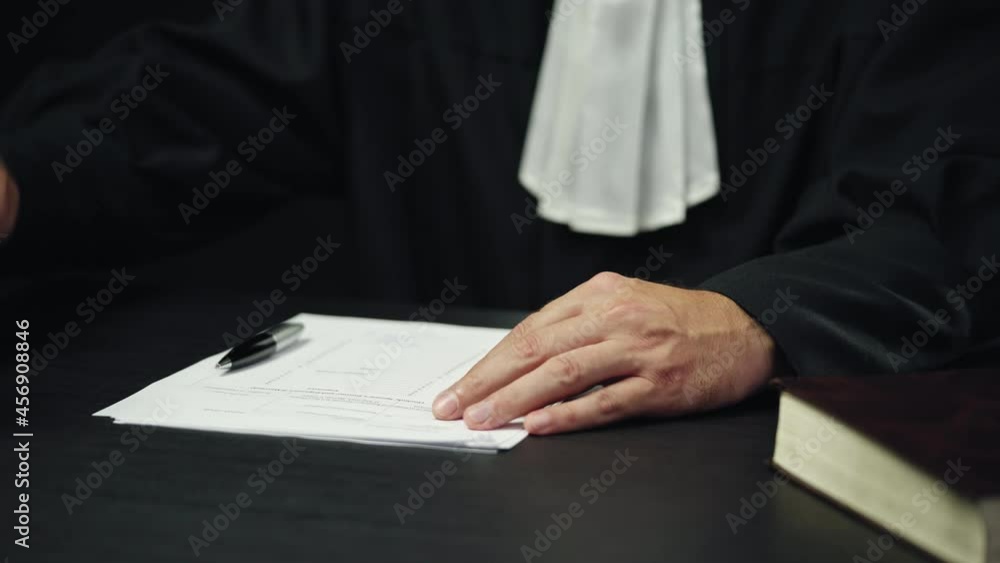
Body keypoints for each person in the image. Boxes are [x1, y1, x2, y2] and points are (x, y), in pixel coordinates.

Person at [2, 1, 998, 436]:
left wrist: (762, 316)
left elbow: (964, 207)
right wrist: (19, 173)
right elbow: (204, 97)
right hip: (435, 470)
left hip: (777, 469)